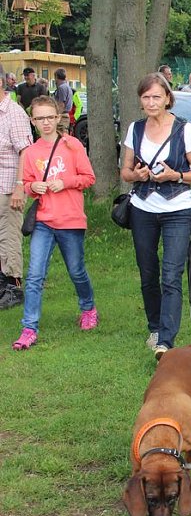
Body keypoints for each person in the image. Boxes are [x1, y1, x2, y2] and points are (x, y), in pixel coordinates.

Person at [120, 73, 191, 359]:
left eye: (156, 96)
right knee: (148, 272)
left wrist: (175, 175)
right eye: (145, 97)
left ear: (168, 98)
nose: (151, 102)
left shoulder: (185, 129)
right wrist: (138, 175)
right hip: (143, 208)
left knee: (171, 275)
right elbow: (125, 171)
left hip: (178, 208)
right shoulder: (134, 128)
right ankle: (155, 327)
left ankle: (166, 341)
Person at [12, 96, 97, 350]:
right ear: (32, 121)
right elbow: (27, 183)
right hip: (43, 221)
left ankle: (88, 308)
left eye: (50, 117)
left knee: (76, 270)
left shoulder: (72, 145)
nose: (46, 122)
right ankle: (29, 328)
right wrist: (32, 186)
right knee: (34, 275)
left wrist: (66, 182)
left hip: (70, 220)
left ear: (59, 118)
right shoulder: (30, 152)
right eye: (40, 118)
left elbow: (88, 177)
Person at [0, 63, 32, 310]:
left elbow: (26, 152)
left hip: (9, 186)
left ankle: (14, 286)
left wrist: (21, 186)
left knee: (9, 235)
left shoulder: (14, 113)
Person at [53, 68, 74, 133]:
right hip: (64, 115)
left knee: (60, 136)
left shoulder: (62, 88)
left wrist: (56, 116)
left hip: (62, 116)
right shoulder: (67, 86)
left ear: (56, 76)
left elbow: (61, 104)